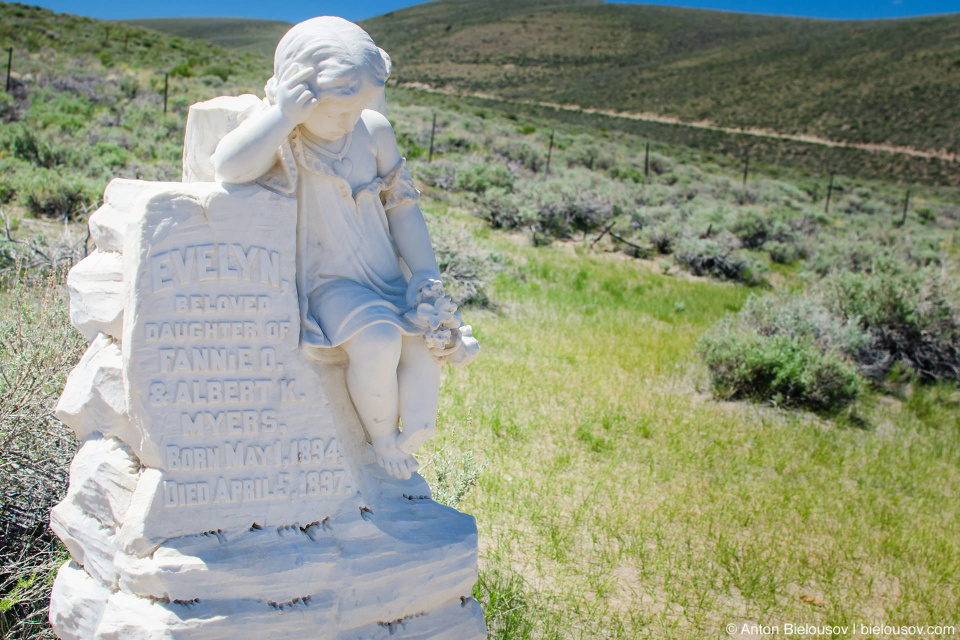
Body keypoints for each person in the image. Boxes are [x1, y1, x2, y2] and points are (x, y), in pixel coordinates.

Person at [211, 17, 477, 481]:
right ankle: (379, 443)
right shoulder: (286, 136)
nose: (348, 120)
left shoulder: (373, 132)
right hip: (330, 281)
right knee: (377, 342)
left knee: (424, 357)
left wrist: (423, 275)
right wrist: (283, 116)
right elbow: (229, 168)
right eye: (338, 110)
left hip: (385, 274)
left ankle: (410, 434)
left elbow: (403, 210)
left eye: (357, 108)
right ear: (298, 93)